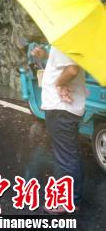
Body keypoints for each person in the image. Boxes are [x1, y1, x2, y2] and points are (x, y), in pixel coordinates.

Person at [30, 45, 88, 213]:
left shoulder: (67, 38)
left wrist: (58, 83)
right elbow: (66, 63)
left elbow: (72, 69)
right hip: (66, 108)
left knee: (66, 157)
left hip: (61, 107)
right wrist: (48, 55)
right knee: (70, 154)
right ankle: (73, 196)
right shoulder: (74, 39)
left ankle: (69, 201)